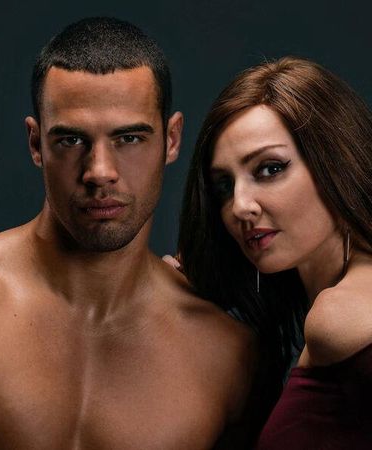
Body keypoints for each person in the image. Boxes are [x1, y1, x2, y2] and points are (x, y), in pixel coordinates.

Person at [0, 17, 259, 449]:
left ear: (172, 140)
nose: (99, 171)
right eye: (71, 141)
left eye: (129, 138)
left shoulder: (227, 356)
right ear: (36, 143)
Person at [178, 57, 372, 448]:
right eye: (224, 186)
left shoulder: (341, 314)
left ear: (334, 163)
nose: (240, 206)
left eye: (269, 169)